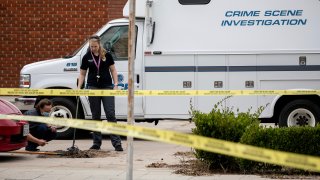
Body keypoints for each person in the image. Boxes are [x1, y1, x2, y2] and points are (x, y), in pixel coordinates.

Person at [78, 35, 123, 151]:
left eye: (95, 46)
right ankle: (96, 143)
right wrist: (79, 87)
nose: (93, 48)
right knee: (95, 115)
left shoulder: (107, 55)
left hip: (107, 87)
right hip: (93, 87)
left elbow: (113, 70)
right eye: (91, 46)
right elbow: (82, 73)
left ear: (99, 44)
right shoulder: (86, 57)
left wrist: (116, 84)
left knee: (110, 114)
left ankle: (117, 143)